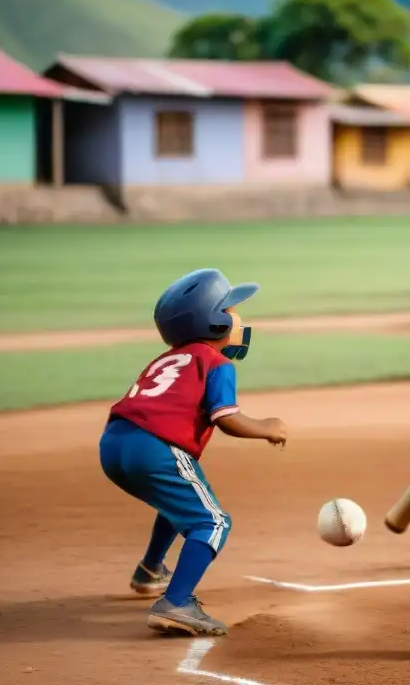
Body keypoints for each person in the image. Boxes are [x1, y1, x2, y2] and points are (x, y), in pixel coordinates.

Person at [99, 268, 288, 636]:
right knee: (212, 521)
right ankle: (177, 602)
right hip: (154, 446)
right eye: (231, 309)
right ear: (215, 321)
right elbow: (226, 418)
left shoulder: (168, 359)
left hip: (114, 444)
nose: (239, 318)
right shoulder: (217, 363)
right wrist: (267, 427)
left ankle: (150, 570)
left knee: (178, 504)